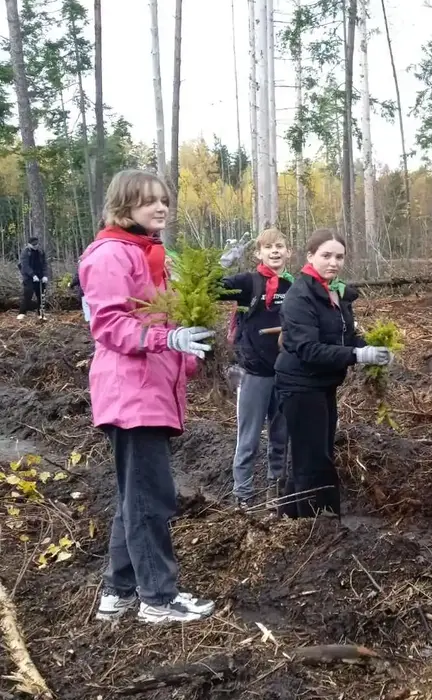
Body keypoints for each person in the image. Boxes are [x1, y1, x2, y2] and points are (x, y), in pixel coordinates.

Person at [78, 170, 216, 624]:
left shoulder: (152, 254)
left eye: (163, 201)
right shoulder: (112, 255)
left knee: (133, 496)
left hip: (150, 389)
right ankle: (158, 599)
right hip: (130, 394)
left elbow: (165, 320)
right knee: (150, 498)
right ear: (123, 207)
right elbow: (110, 324)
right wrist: (166, 342)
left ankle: (118, 593)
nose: (160, 208)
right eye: (148, 201)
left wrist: (187, 352)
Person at [274, 229, 393, 518]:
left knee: (314, 451)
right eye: (326, 255)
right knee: (313, 459)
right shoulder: (300, 296)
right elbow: (308, 349)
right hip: (300, 385)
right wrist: (357, 355)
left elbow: (344, 338)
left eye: (339, 257)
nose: (333, 262)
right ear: (310, 256)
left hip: (324, 384)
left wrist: (372, 348)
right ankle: (318, 526)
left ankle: (289, 519)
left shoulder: (335, 293)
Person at [221, 228, 292, 508]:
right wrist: (223, 263)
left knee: (281, 436)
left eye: (280, 246)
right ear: (258, 254)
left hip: (285, 373)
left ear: (289, 252)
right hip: (253, 374)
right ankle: (244, 496)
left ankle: (277, 492)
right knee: (248, 438)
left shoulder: (293, 287)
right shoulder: (248, 283)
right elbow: (211, 286)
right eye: (268, 247)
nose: (275, 251)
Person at [17, 236, 48, 320]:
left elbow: (44, 264)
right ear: (29, 244)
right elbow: (25, 265)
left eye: (36, 244)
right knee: (28, 293)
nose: (35, 246)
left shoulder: (41, 251)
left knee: (41, 295)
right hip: (29, 277)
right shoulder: (25, 252)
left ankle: (41, 313)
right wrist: (33, 275)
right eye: (33, 245)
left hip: (40, 276)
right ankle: (22, 312)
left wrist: (45, 275)